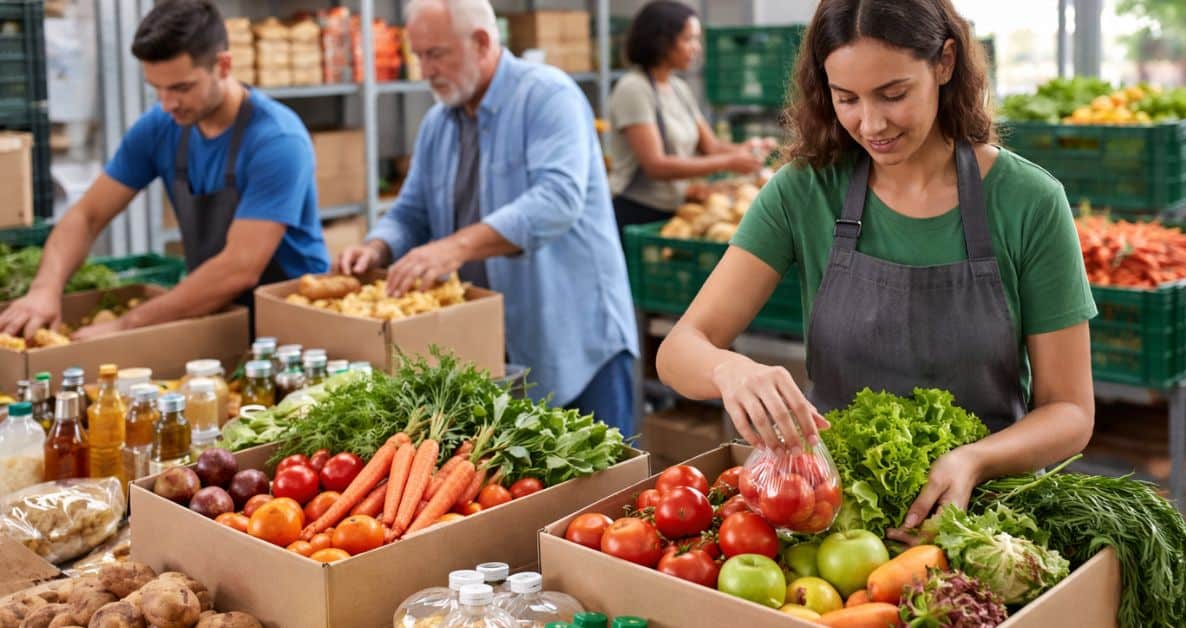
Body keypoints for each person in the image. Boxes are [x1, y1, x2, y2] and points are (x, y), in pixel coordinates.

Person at [657, 0, 1096, 542]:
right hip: (831, 517)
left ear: (945, 63)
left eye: (893, 94)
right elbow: (679, 350)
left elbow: (1070, 410)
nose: (872, 123)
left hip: (985, 523)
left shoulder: (1029, 201)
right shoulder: (805, 190)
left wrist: (974, 460)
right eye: (847, 99)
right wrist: (730, 371)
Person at [336, 0, 640, 436]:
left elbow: (557, 199)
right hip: (486, 351)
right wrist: (376, 246)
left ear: (481, 42)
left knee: (602, 490)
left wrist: (454, 247)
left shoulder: (547, 97)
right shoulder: (438, 124)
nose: (425, 70)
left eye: (436, 54)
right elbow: (411, 210)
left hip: (574, 346)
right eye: (418, 55)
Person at [0, 0, 329, 341]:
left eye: (181, 88)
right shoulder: (161, 126)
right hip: (214, 314)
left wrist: (126, 326)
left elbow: (239, 267)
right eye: (156, 88)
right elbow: (88, 215)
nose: (168, 103)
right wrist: (44, 289)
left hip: (294, 324)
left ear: (224, 65)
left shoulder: (277, 139)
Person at [608, 0, 774, 233]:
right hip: (635, 212)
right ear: (661, 42)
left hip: (673, 209)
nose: (696, 48)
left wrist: (747, 150)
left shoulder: (677, 87)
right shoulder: (634, 88)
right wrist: (730, 162)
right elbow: (656, 166)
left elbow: (711, 147)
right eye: (688, 39)